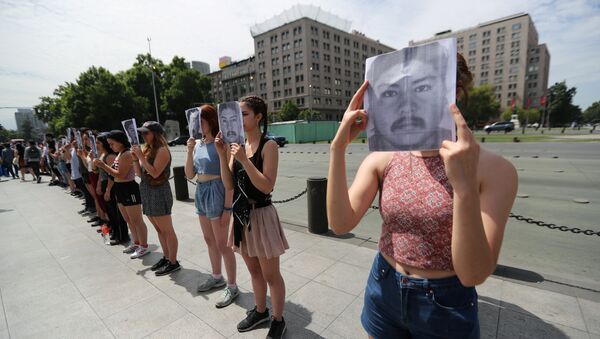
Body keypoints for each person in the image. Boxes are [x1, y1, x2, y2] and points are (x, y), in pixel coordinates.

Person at [327, 55, 518, 339]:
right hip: (384, 285)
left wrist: (464, 188)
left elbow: (473, 274)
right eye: (394, 91)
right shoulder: (384, 157)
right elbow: (341, 223)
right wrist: (337, 148)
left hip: (447, 303)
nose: (407, 101)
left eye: (424, 87)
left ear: (454, 90)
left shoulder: (494, 169)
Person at [216, 96, 288, 338]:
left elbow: (267, 186)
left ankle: (278, 319)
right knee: (254, 271)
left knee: (271, 274)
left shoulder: (269, 146)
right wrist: (221, 154)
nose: (239, 118)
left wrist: (245, 161)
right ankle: (260, 311)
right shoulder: (235, 145)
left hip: (262, 215)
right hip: (241, 216)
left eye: (244, 113)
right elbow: (228, 184)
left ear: (258, 117)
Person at [184, 104, 238, 308]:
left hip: (218, 190)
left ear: (210, 120)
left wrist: (227, 207)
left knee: (223, 244)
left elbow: (229, 177)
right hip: (202, 190)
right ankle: (217, 276)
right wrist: (189, 150)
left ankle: (232, 286)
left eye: (201, 120)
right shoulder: (197, 143)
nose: (197, 124)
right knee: (209, 239)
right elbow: (189, 174)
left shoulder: (221, 142)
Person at [366, 41, 454, 151]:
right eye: (390, 93)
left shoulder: (474, 157)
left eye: (422, 88)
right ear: (371, 106)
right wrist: (340, 144)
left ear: (444, 96)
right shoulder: (373, 164)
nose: (407, 109)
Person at [132, 121, 180, 275]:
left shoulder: (163, 150)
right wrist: (135, 159)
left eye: (146, 133)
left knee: (167, 230)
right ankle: (166, 258)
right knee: (159, 229)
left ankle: (173, 261)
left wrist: (140, 156)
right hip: (147, 189)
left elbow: (154, 172)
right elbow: (139, 174)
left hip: (159, 191)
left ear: (155, 134)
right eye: (142, 133)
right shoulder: (147, 149)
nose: (143, 136)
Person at [94, 130, 149, 259]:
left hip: (128, 188)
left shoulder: (126, 154)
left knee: (137, 220)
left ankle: (144, 245)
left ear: (120, 141)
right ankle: (136, 242)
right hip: (120, 188)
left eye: (112, 144)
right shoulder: (119, 153)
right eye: (109, 144)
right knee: (128, 219)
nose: (111, 146)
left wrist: (103, 165)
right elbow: (115, 175)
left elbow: (120, 174)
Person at [96, 132, 129, 245]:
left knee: (116, 213)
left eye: (98, 142)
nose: (96, 145)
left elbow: (112, 175)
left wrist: (108, 190)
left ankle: (121, 235)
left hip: (112, 185)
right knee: (111, 212)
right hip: (107, 184)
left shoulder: (110, 156)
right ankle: (115, 232)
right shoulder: (106, 155)